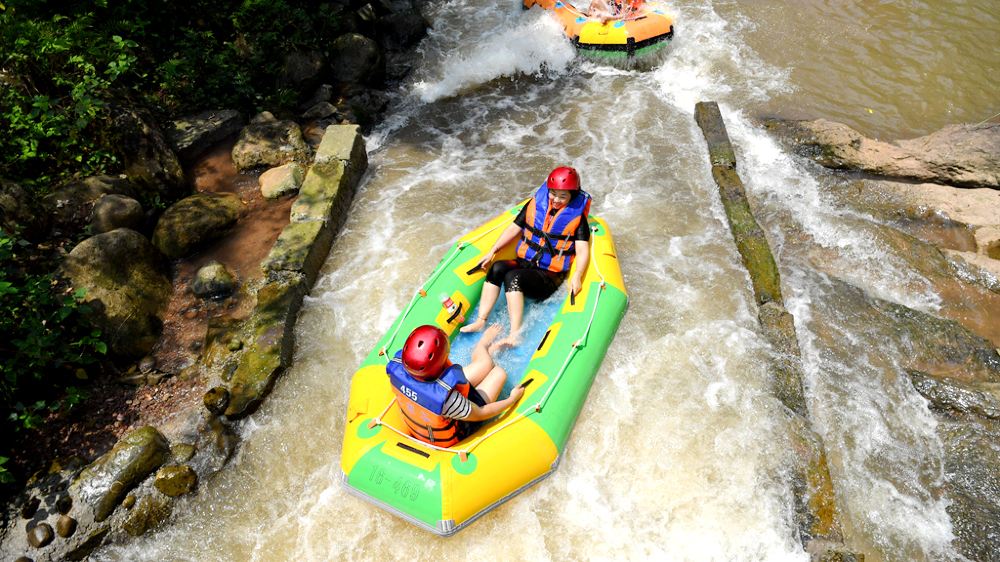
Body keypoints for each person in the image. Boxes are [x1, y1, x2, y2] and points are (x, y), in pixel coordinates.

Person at [460, 166, 591, 348]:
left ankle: (515, 336)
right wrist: (493, 251)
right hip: (526, 263)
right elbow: (514, 228)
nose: (556, 200)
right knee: (498, 267)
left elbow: (583, 250)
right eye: (553, 194)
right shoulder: (535, 205)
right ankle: (481, 320)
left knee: (513, 277)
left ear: (572, 196)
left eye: (563, 196)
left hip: (549, 276)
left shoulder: (578, 220)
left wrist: (577, 275)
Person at [386, 324, 525, 447]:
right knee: (499, 373)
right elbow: (481, 413)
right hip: (460, 420)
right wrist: (511, 399)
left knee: (486, 364)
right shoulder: (447, 400)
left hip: (442, 408)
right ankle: (483, 347)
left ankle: (485, 347)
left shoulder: (396, 371)